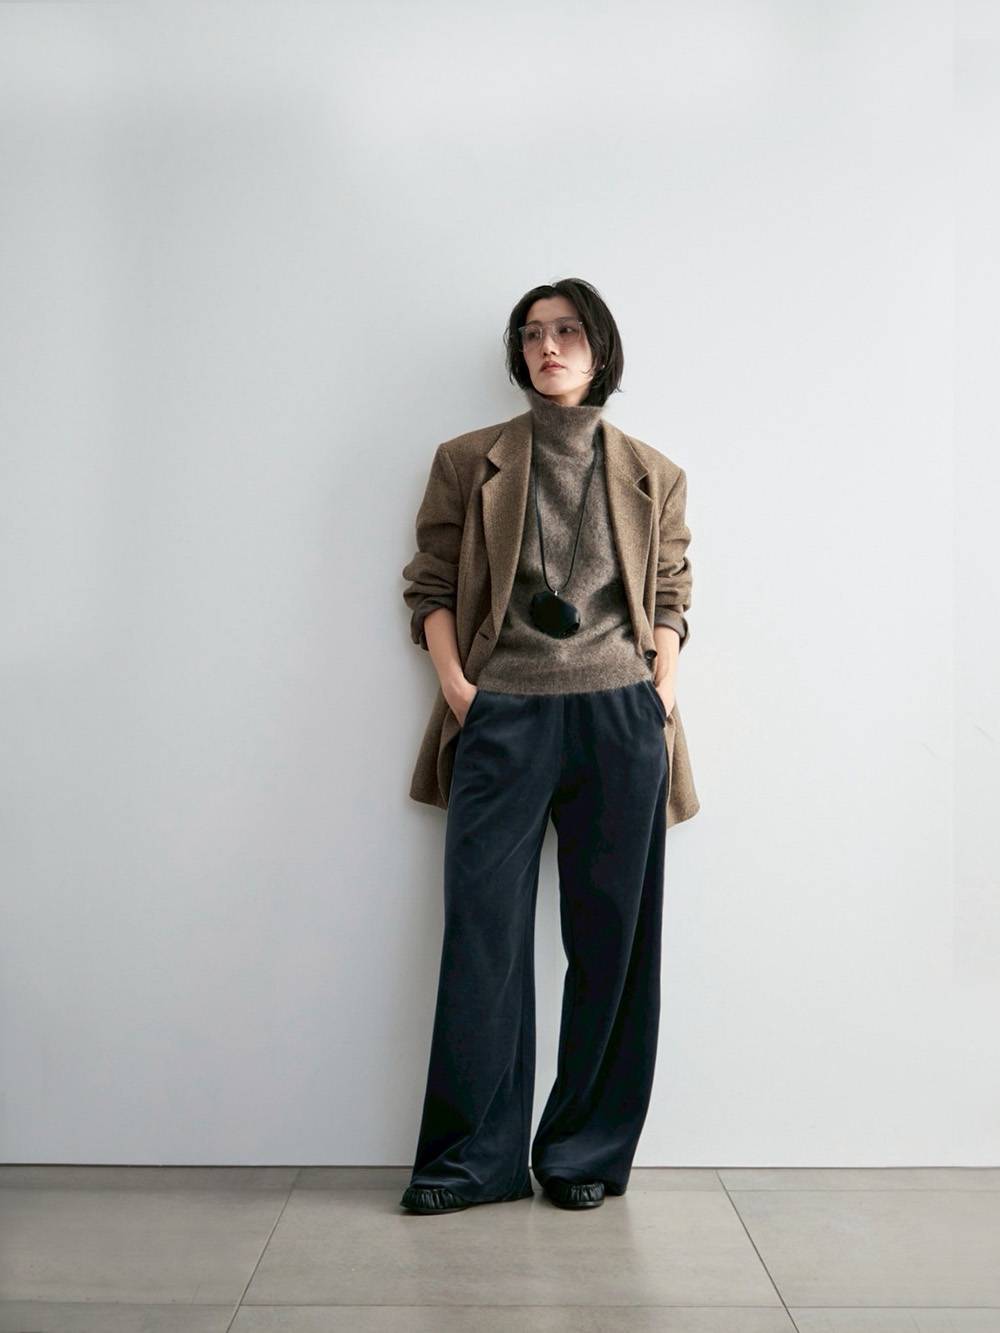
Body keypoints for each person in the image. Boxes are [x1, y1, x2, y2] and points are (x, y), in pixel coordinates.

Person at [398, 277, 698, 1215]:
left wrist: (661, 687)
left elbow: (672, 590)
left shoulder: (653, 472)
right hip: (504, 714)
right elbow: (429, 581)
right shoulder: (469, 460)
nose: (548, 347)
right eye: (532, 334)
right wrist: (459, 689)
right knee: (482, 937)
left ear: (599, 349)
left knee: (612, 944)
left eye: (567, 331)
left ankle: (582, 1153)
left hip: (620, 715)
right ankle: (471, 1161)